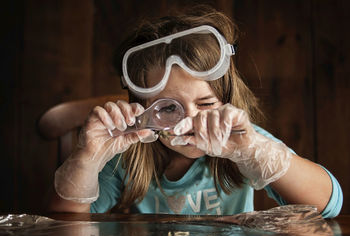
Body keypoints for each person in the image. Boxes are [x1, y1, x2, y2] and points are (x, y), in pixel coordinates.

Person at [48, 6, 342, 218]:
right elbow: (65, 221)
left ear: (226, 100)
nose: (190, 121)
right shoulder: (128, 158)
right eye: (167, 108)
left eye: (205, 104)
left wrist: (254, 152)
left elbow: (328, 204)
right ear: (143, 111)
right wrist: (87, 157)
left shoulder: (241, 143)